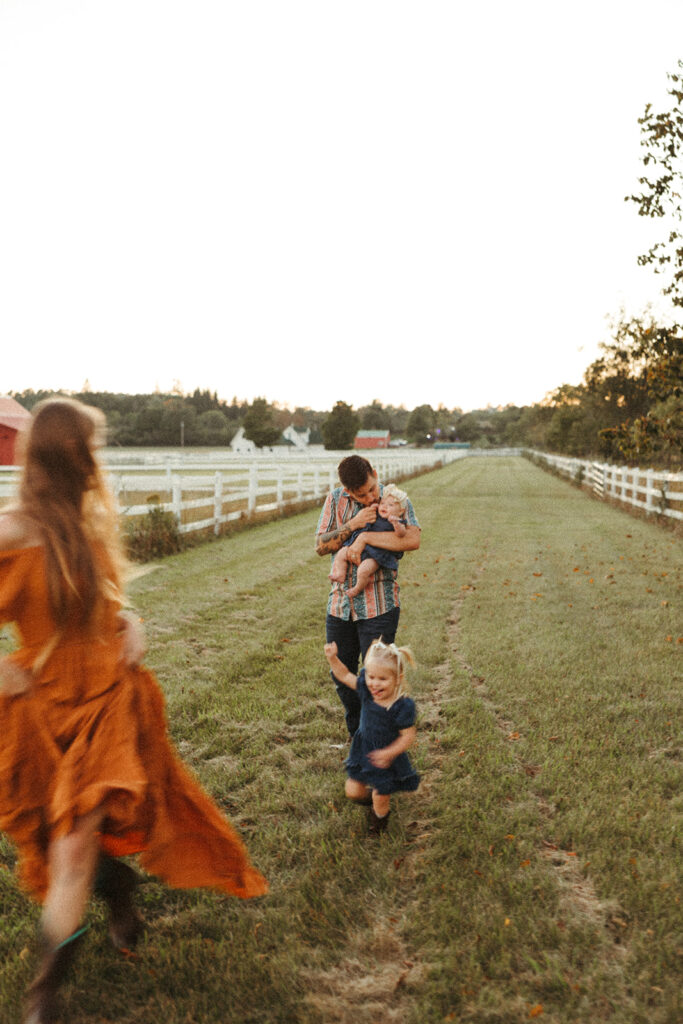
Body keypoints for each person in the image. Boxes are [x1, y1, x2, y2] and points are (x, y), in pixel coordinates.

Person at [0, 397, 267, 1024]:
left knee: (71, 849)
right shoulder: (11, 530)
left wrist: (131, 623)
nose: (97, 461)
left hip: (105, 704)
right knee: (59, 838)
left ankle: (44, 998)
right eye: (90, 448)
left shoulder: (90, 529)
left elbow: (104, 608)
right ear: (70, 456)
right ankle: (118, 887)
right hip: (42, 711)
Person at [316, 455, 420, 738]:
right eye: (361, 495)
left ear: (375, 473)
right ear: (348, 491)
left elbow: (412, 539)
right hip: (340, 605)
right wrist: (354, 524)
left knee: (379, 679)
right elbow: (321, 546)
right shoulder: (335, 500)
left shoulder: (395, 497)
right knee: (343, 676)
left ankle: (378, 741)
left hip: (380, 604)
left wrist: (365, 538)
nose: (370, 497)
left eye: (372, 489)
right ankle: (358, 737)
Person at [323, 638, 419, 835]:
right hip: (364, 748)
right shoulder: (367, 690)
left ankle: (379, 824)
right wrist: (332, 658)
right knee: (353, 791)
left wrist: (389, 753)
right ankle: (375, 798)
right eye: (371, 677)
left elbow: (408, 736)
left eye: (382, 679)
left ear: (398, 679)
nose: (375, 683)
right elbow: (344, 675)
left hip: (387, 756)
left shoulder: (402, 706)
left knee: (380, 796)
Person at [328, 483, 409, 599]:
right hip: (359, 546)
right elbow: (367, 515)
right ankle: (340, 573)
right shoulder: (376, 512)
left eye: (390, 505)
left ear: (400, 511)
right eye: (383, 503)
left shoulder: (397, 521)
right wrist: (372, 508)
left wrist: (396, 524)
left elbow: (402, 534)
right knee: (341, 554)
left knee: (363, 570)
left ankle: (358, 588)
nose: (384, 507)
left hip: (376, 554)